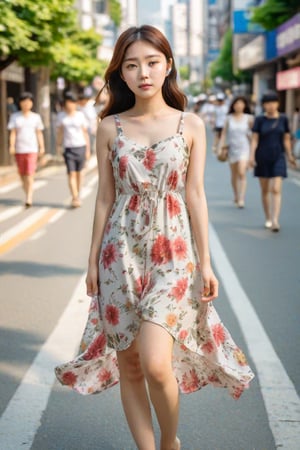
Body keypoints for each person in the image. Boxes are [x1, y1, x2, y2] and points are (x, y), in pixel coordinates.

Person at [55, 25, 254, 450]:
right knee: (129, 364)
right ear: (120, 74)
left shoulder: (192, 125)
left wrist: (206, 263)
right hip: (118, 254)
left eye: (151, 62)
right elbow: (105, 199)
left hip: (173, 253)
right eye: (131, 65)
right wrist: (92, 261)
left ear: (167, 66)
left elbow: (195, 195)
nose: (143, 72)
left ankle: (168, 442)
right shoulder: (109, 127)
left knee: (156, 363)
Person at [249, 90, 297, 231]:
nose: (271, 105)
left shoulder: (283, 119)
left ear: (278, 103)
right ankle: (268, 217)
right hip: (262, 157)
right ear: (264, 105)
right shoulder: (259, 120)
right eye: (268, 103)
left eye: (273, 102)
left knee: (275, 189)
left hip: (278, 157)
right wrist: (251, 157)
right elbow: (254, 140)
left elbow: (286, 140)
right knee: (265, 190)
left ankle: (275, 220)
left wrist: (290, 156)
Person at [7, 91, 45, 207]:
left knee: (29, 174)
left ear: (32, 103)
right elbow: (13, 133)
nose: (26, 104)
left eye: (28, 101)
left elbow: (39, 133)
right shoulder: (15, 117)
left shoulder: (36, 117)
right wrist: (12, 146)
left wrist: (42, 147)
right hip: (19, 149)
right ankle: (27, 192)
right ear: (20, 103)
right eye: (24, 101)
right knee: (22, 174)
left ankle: (29, 197)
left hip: (32, 149)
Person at [56, 91, 90, 208]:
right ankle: (75, 197)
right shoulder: (61, 116)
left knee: (80, 174)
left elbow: (85, 133)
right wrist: (58, 146)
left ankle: (78, 194)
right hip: (68, 148)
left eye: (73, 102)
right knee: (71, 174)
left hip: (80, 146)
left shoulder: (80, 115)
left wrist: (88, 149)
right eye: (68, 102)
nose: (70, 104)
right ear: (65, 103)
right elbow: (60, 132)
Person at [219, 96, 253, 208]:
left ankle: (241, 199)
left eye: (241, 103)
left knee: (241, 172)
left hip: (244, 148)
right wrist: (221, 146)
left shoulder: (249, 118)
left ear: (244, 105)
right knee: (234, 174)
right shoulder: (229, 118)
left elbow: (253, 136)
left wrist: (254, 153)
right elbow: (224, 133)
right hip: (232, 148)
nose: (239, 106)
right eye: (236, 103)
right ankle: (236, 195)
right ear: (233, 105)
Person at [78, 89, 98, 153]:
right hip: (82, 129)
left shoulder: (91, 105)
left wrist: (95, 127)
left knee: (91, 144)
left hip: (91, 128)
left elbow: (95, 118)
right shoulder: (79, 106)